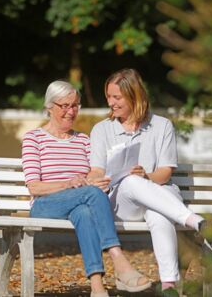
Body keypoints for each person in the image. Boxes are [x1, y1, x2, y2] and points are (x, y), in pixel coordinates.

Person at [88, 68, 212, 292]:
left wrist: (146, 176)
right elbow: (97, 170)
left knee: (159, 213)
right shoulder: (101, 129)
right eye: (109, 97)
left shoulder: (162, 125)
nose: (111, 103)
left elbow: (165, 173)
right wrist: (96, 178)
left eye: (117, 97)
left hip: (159, 195)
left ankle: (169, 285)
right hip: (123, 204)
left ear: (134, 96)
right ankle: (197, 222)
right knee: (130, 182)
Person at [21, 80, 151, 296]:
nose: (71, 111)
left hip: (80, 202)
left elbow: (94, 174)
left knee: (84, 212)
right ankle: (118, 258)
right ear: (49, 106)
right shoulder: (34, 138)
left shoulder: (83, 140)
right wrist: (69, 183)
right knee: (90, 194)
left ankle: (97, 287)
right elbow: (34, 187)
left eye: (75, 105)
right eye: (65, 106)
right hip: (46, 205)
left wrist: (99, 181)